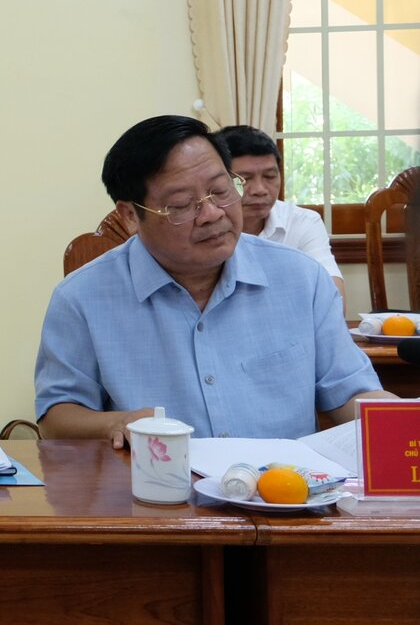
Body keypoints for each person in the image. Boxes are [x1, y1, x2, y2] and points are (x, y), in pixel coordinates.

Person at [34, 116, 392, 447]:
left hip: (285, 498)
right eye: (181, 205)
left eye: (221, 191)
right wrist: (117, 422)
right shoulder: (82, 298)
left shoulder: (301, 279)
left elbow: (348, 392)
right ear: (130, 215)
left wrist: (400, 421)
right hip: (155, 499)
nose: (211, 214)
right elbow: (57, 417)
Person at [217, 125, 345, 302]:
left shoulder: (303, 222)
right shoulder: (206, 224)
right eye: (244, 179)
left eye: (270, 176)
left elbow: (333, 297)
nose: (260, 190)